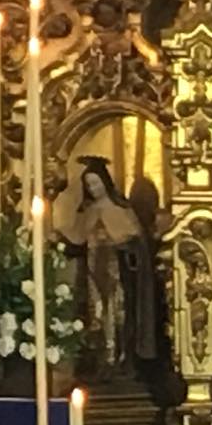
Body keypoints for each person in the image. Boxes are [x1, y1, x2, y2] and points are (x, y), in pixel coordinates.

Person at [61, 157, 159, 370]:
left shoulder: (120, 208)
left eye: (96, 183)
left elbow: (135, 240)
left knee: (117, 313)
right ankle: (99, 359)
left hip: (117, 272)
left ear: (105, 182)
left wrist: (122, 246)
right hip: (92, 271)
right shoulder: (87, 211)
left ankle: (121, 356)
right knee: (95, 311)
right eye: (89, 185)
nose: (93, 188)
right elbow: (77, 238)